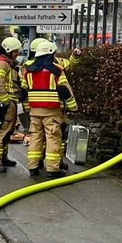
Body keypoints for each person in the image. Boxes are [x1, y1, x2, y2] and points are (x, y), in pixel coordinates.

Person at [21, 41, 78, 178]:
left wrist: (29, 110)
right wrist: (73, 107)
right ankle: (52, 170)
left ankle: (33, 167)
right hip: (52, 112)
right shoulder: (57, 71)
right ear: (51, 54)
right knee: (53, 139)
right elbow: (65, 91)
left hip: (35, 111)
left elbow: (24, 93)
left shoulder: (27, 71)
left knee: (35, 138)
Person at [0, 37, 22, 173]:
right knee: (1, 132)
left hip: (9, 103)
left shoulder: (8, 63)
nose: (17, 53)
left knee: (8, 132)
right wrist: (6, 101)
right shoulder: (1, 64)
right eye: (15, 51)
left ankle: (3, 158)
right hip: (4, 104)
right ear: (8, 50)